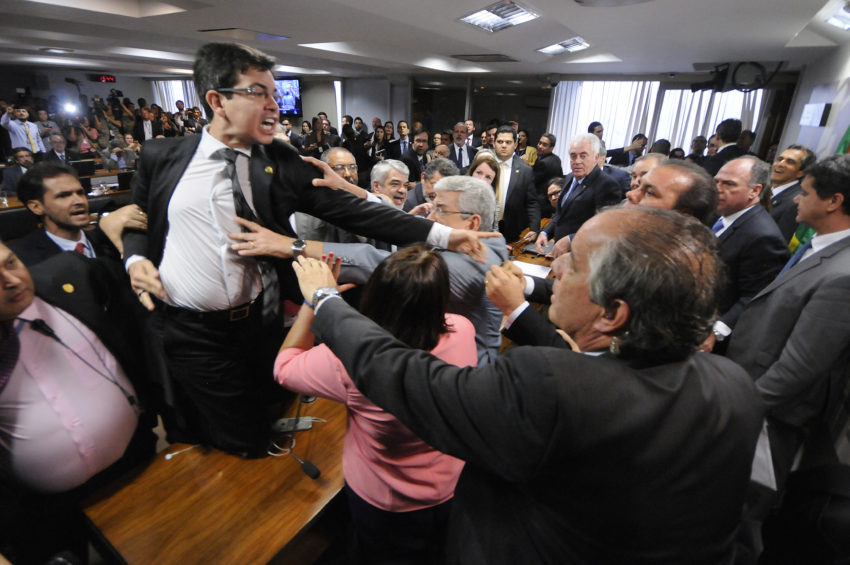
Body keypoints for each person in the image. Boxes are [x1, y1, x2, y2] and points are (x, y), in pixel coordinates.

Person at [297, 206, 764, 564]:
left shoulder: (544, 385)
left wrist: (325, 302)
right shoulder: (732, 382)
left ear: (612, 313)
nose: (555, 269)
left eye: (574, 263)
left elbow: (402, 374)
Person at [122, 42, 494, 457]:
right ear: (217, 100)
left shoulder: (278, 162)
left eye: (274, 93)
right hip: (191, 328)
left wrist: (443, 235)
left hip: (260, 321)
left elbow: (358, 213)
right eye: (257, 93)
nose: (274, 105)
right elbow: (137, 222)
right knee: (239, 437)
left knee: (272, 406)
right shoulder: (162, 156)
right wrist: (135, 259)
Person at [277, 247, 478, 564]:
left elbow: (285, 367)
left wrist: (312, 304)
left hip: (387, 501)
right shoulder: (463, 330)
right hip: (450, 483)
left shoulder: (347, 359)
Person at [0, 242, 156, 564]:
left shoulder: (72, 275)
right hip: (47, 510)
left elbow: (139, 328)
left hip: (138, 465)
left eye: (11, 262)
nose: (12, 280)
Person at [727, 155, 850, 561]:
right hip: (755, 398)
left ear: (833, 201)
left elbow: (800, 367)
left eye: (806, 191)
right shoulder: (819, 248)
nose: (795, 197)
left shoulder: (844, 273)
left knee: (745, 515)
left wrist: (741, 410)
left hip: (772, 417)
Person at [708, 157, 789, 350]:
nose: (717, 189)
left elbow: (754, 297)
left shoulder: (763, 236)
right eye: (716, 182)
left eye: (728, 184)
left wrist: (716, 332)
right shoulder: (721, 216)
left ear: (755, 190)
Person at [535, 133, 621, 252]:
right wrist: (545, 232)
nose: (577, 161)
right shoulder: (569, 178)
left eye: (583, 156)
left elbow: (604, 229)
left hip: (584, 257)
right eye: (573, 156)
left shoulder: (607, 184)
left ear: (596, 157)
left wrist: (571, 240)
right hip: (559, 253)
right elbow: (561, 214)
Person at [491, 125, 540, 243]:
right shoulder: (483, 165)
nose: (503, 145)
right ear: (494, 143)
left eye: (508, 142)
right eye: (500, 141)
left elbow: (532, 202)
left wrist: (534, 228)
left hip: (511, 231)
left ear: (516, 145)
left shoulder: (525, 171)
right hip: (484, 227)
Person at [765, 144, 816, 242]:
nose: (780, 164)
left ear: (801, 172)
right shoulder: (763, 189)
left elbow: (779, 243)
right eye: (780, 159)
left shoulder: (796, 201)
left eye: (790, 162)